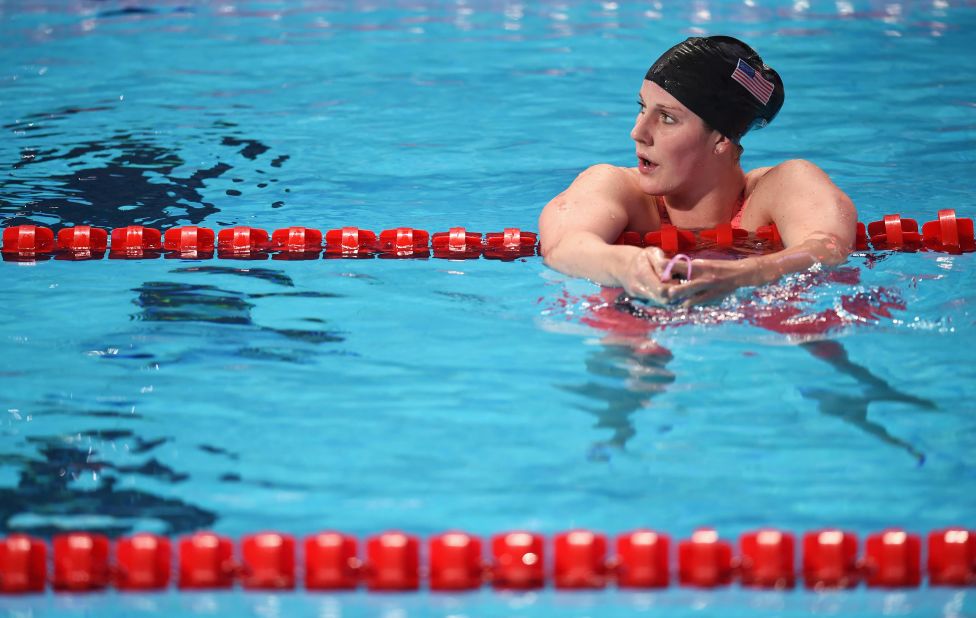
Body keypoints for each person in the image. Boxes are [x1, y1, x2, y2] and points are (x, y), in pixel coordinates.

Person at [538, 35, 858, 308]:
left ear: (720, 138)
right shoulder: (617, 188)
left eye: (666, 118)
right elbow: (563, 247)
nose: (637, 132)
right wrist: (625, 266)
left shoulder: (782, 186)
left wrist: (747, 275)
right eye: (641, 108)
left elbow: (827, 247)